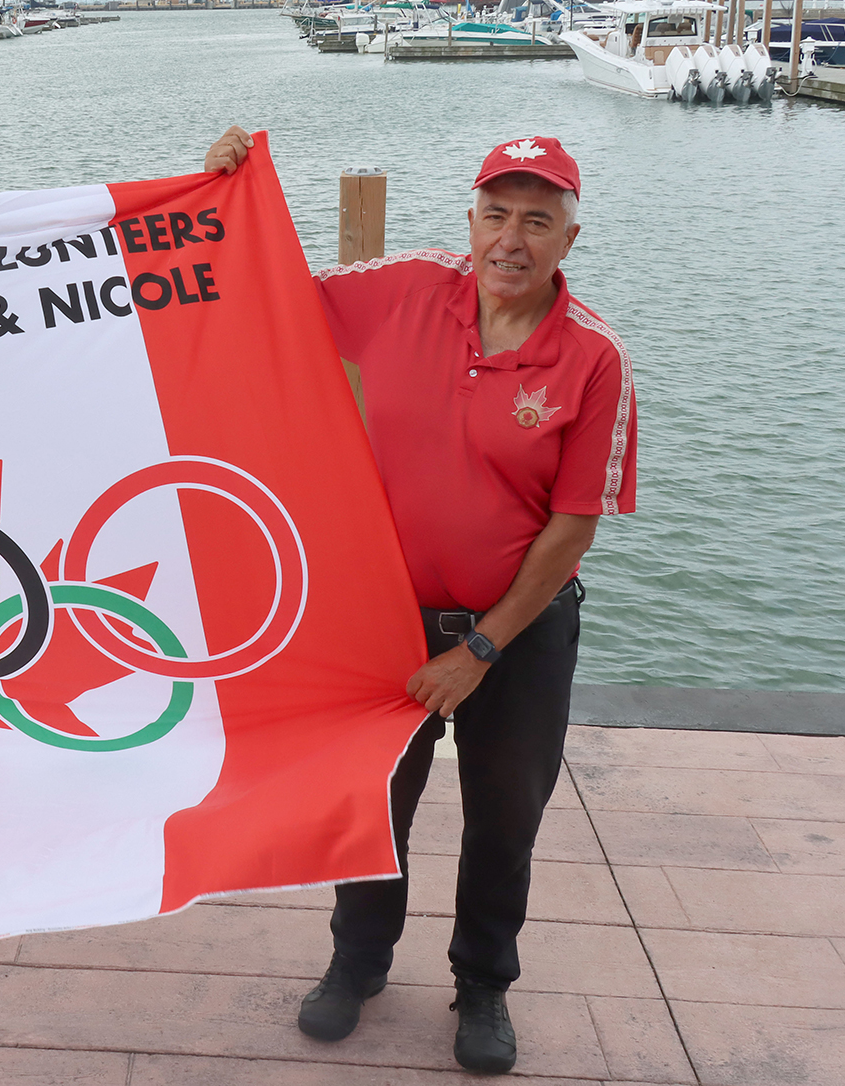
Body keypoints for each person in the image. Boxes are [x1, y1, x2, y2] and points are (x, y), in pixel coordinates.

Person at [204, 128, 637, 1075]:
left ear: (571, 234)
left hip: (516, 636)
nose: (509, 239)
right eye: (494, 213)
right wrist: (227, 187)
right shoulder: (405, 289)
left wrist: (476, 650)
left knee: (504, 815)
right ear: (469, 219)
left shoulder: (594, 358)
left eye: (537, 218)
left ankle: (483, 983)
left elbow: (571, 528)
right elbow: (266, 292)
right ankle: (356, 964)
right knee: (371, 802)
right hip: (385, 620)